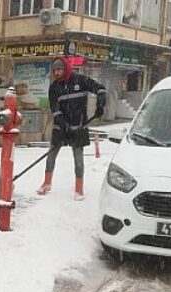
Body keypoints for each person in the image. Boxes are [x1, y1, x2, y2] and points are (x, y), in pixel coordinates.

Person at [38, 57, 106, 200]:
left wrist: (100, 105)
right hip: (60, 128)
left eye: (59, 70)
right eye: (54, 71)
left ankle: (79, 189)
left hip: (78, 127)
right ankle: (46, 183)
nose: (56, 73)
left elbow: (100, 89)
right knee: (51, 156)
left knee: (78, 159)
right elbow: (55, 108)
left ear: (66, 69)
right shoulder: (54, 87)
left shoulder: (81, 80)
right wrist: (63, 124)